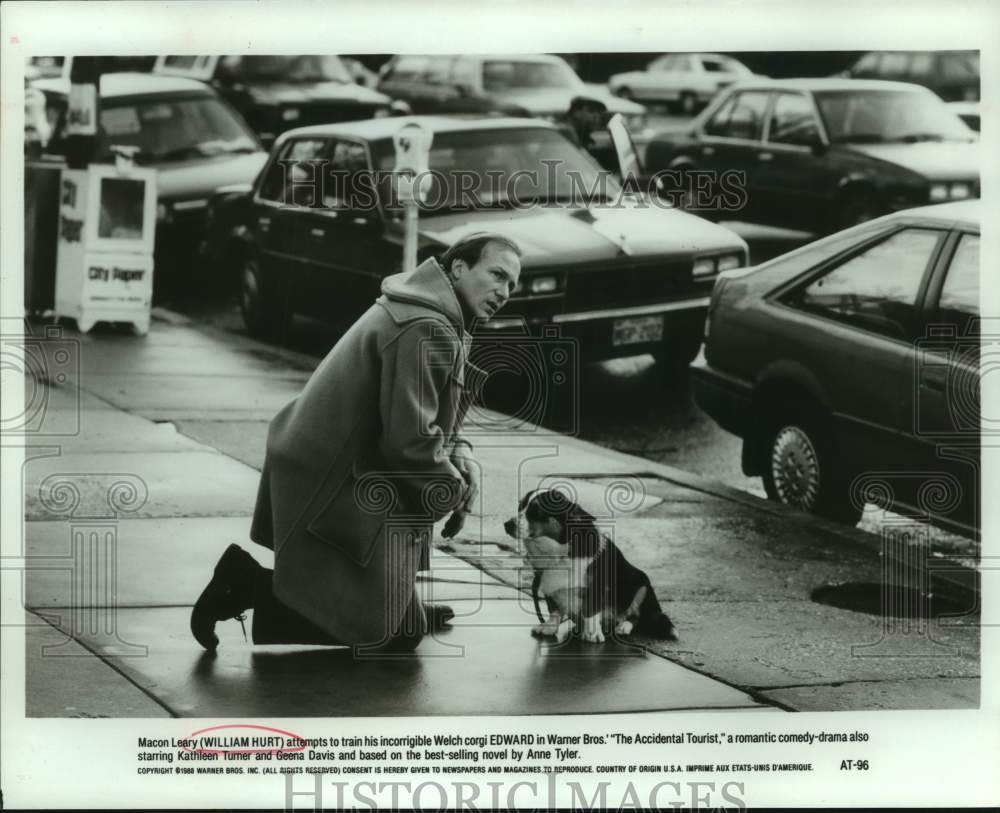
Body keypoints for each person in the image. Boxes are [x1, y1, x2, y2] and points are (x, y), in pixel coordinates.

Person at [190, 232, 522, 653]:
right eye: (497, 275)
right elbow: (408, 445)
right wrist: (454, 491)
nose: (505, 292)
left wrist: (461, 454)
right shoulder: (425, 327)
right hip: (334, 472)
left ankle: (393, 606)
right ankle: (248, 585)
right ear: (459, 268)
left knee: (401, 628)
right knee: (389, 634)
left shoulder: (436, 315)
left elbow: (431, 417)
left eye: (512, 284)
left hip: (333, 457)